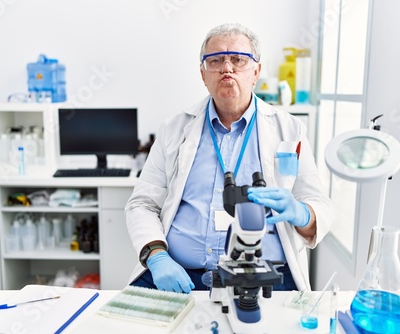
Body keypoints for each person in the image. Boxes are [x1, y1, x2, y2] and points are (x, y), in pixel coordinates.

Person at [125, 23, 333, 294]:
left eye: (238, 59)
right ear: (203, 73)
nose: (227, 68)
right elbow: (142, 204)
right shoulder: (173, 130)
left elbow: (320, 206)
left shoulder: (289, 130)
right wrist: (157, 257)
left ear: (256, 71)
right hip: (181, 276)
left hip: (264, 279)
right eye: (215, 60)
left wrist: (303, 213)